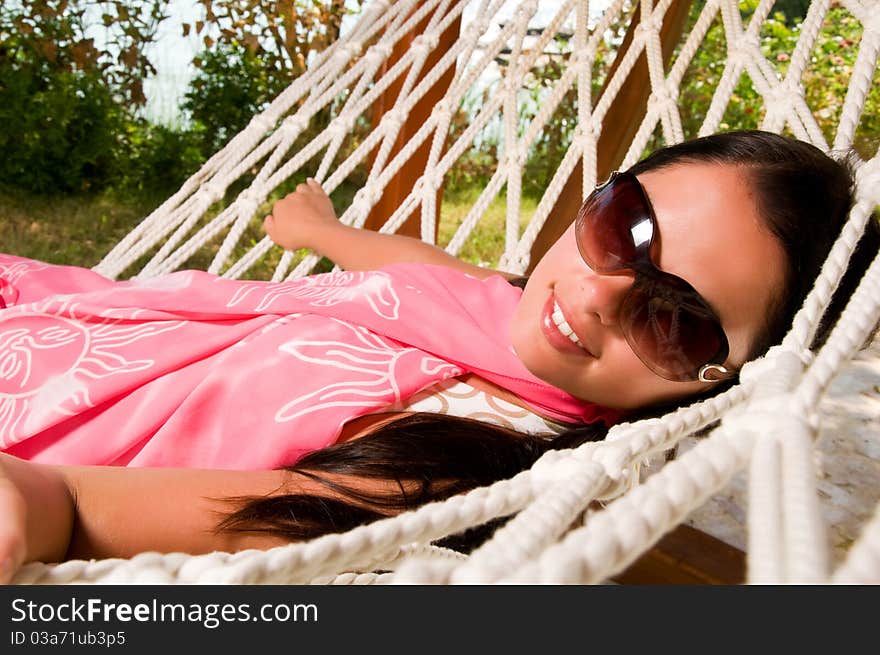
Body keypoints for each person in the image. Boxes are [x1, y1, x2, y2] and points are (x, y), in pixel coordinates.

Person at [0, 130, 877, 583]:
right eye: (624, 226)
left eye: (677, 319)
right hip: (104, 319)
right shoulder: (509, 298)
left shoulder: (471, 449)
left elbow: (75, 506)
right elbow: (429, 271)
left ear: (726, 378)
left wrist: (28, 501)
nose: (599, 293)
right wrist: (323, 231)